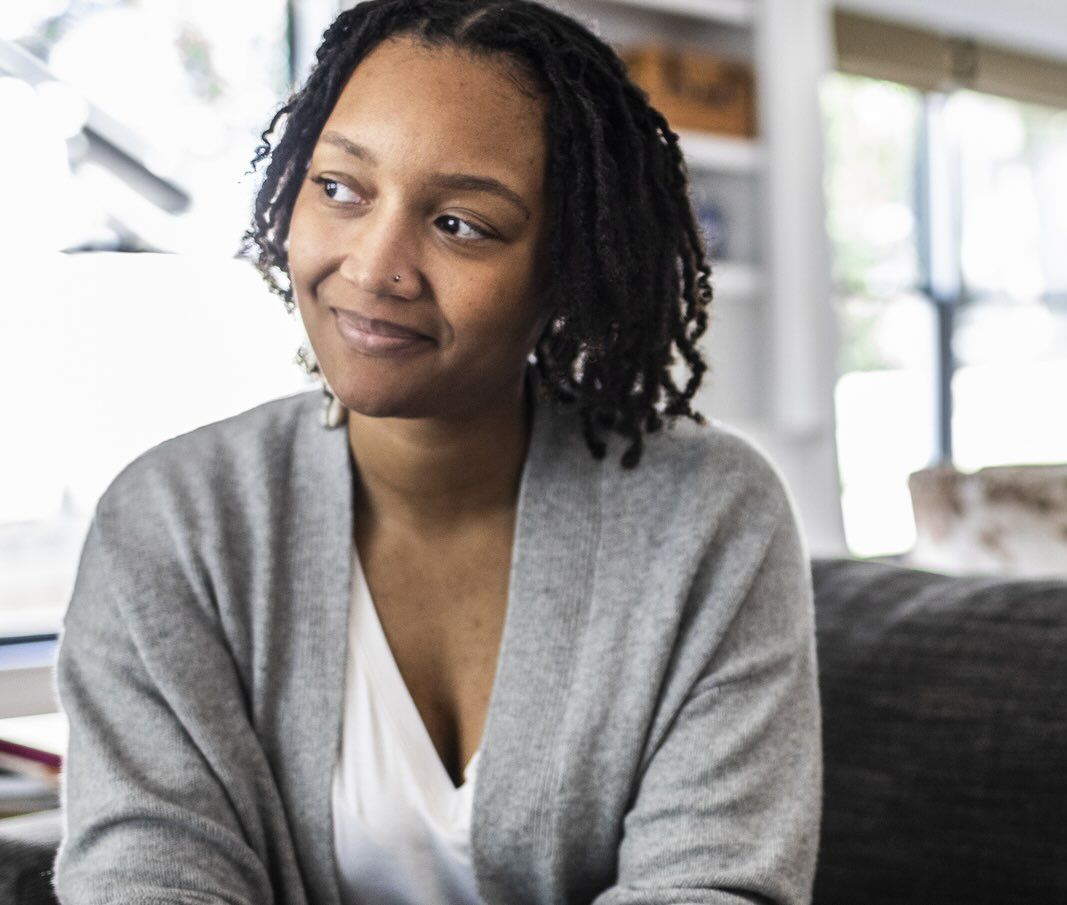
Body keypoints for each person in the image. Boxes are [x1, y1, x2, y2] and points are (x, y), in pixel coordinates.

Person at [51, 1, 822, 902]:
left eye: (461, 223)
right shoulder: (171, 524)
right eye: (340, 187)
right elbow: (144, 875)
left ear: (568, 271)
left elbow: (715, 885)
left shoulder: (709, 519)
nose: (376, 267)